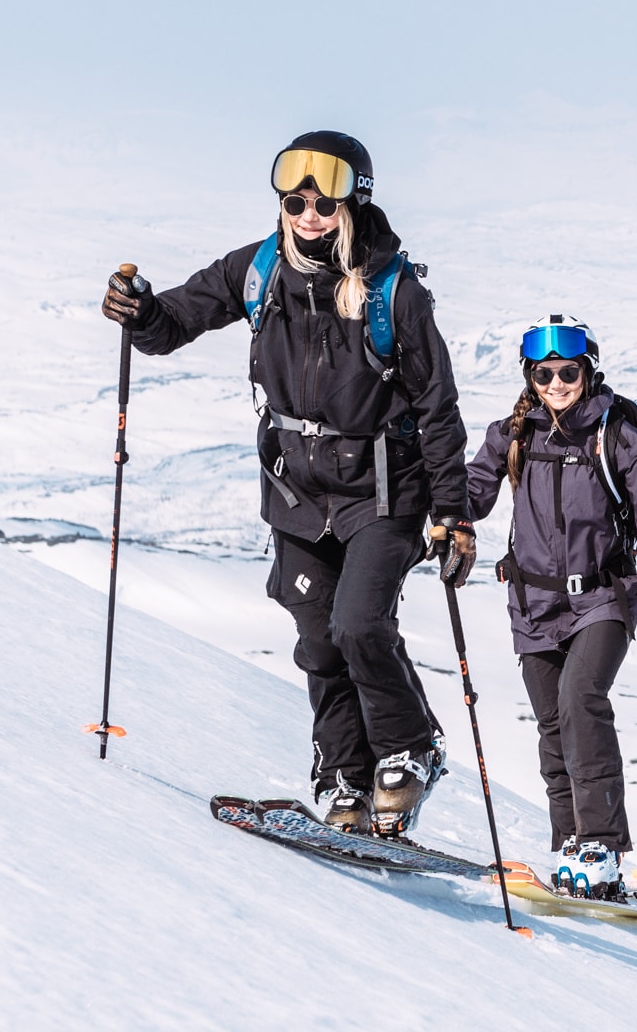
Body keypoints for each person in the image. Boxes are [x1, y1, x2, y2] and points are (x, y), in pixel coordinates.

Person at [100, 131, 477, 839]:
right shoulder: (262, 269)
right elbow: (172, 324)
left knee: (360, 624)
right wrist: (139, 310)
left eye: (324, 200)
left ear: (354, 202)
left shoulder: (396, 292)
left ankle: (409, 747)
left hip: (382, 493)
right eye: (296, 197)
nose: (308, 212)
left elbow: (438, 408)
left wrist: (453, 517)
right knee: (319, 641)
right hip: (298, 494)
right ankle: (345, 778)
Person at [465, 315, 637, 898]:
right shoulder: (514, 433)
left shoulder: (616, 433)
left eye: (568, 372)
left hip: (603, 598)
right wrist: (444, 514)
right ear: (530, 375)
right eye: (544, 373)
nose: (557, 383)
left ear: (587, 369)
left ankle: (602, 847)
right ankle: (571, 842)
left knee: (580, 702)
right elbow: (472, 491)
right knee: (552, 724)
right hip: (532, 603)